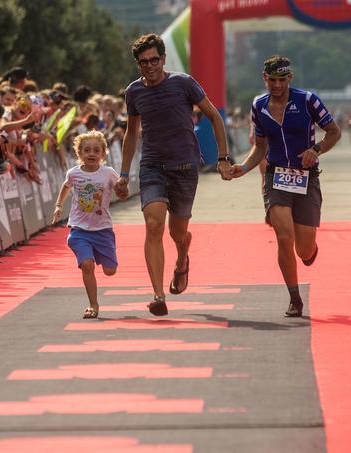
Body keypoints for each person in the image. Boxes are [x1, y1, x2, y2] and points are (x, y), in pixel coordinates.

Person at [115, 33, 231, 316]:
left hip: (184, 168)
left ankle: (182, 259)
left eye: (154, 59)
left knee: (177, 232)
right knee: (153, 225)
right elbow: (132, 132)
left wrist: (224, 158)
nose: (150, 65)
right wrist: (123, 173)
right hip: (152, 166)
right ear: (137, 64)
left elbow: (214, 116)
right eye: (144, 62)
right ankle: (158, 294)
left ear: (163, 59)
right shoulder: (133, 92)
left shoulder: (183, 83)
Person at [227, 55, 341, 317]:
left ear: (290, 78)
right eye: (272, 80)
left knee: (303, 248)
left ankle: (310, 251)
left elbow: (334, 132)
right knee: (283, 237)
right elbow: (260, 146)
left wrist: (316, 149)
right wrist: (242, 168)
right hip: (276, 176)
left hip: (306, 176)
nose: (277, 86)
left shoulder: (307, 100)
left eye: (282, 80)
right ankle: (294, 298)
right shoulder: (258, 105)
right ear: (264, 79)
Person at [52, 130, 124, 319]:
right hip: (79, 229)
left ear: (103, 153)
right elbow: (66, 186)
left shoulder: (108, 173)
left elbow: (121, 191)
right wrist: (58, 206)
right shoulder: (74, 173)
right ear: (79, 153)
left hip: (103, 229)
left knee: (110, 271)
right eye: (86, 150)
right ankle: (93, 305)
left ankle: (102, 255)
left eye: (96, 150)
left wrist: (122, 189)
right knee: (87, 265)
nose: (91, 154)